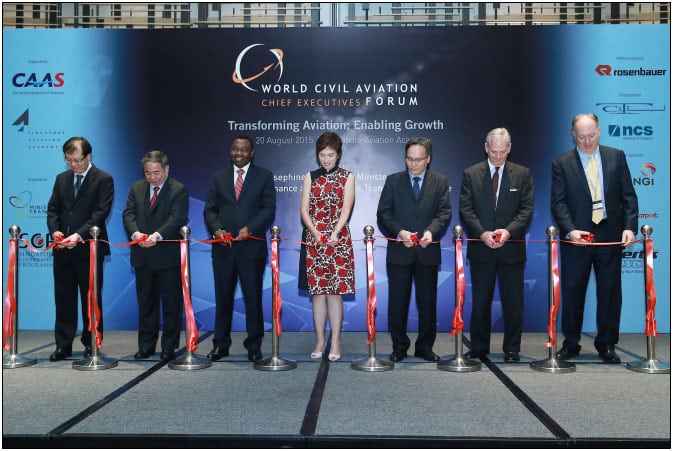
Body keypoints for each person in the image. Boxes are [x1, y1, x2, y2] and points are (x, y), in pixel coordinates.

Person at [551, 113, 638, 364]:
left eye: (591, 135)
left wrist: (630, 226)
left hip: (610, 234)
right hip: (578, 237)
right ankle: (571, 343)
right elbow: (558, 203)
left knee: (610, 292)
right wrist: (570, 230)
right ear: (573, 136)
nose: (587, 141)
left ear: (599, 131)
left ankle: (607, 343)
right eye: (581, 137)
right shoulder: (561, 163)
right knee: (573, 291)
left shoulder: (617, 157)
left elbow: (629, 197)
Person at [459, 128, 534, 362]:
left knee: (513, 303)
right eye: (494, 152)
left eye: (502, 152)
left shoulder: (523, 174)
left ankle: (512, 349)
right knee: (481, 301)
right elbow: (466, 209)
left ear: (509, 148)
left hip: (511, 249)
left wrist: (508, 232)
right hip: (482, 248)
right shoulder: (471, 174)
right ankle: (479, 347)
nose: (498, 157)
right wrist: (482, 233)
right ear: (486, 148)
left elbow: (526, 210)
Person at [376, 137, 452, 362]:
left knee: (427, 302)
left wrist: (431, 232)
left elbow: (444, 213)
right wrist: (400, 233)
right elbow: (384, 213)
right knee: (397, 302)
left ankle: (425, 347)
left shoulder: (439, 181)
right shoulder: (393, 181)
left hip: (427, 251)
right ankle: (399, 347)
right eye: (409, 159)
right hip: (400, 251)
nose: (413, 164)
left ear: (428, 159)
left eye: (418, 159)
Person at [204, 136, 276, 362]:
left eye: (244, 150)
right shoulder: (218, 177)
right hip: (223, 249)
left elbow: (268, 209)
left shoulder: (264, 176)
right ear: (230, 151)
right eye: (235, 149)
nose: (239, 153)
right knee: (222, 298)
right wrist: (216, 230)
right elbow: (210, 210)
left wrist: (250, 228)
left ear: (252, 152)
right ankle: (220, 344)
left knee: (252, 299)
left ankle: (254, 345)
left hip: (251, 248)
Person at [46, 137, 114, 361]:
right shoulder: (61, 179)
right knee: (63, 297)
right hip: (63, 249)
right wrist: (56, 231)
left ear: (88, 156)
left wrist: (78, 235)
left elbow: (99, 213)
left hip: (89, 249)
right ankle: (63, 344)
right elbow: (53, 208)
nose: (73, 165)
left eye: (77, 160)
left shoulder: (103, 179)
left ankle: (91, 340)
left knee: (90, 297)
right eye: (68, 160)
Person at [122, 150, 188, 361]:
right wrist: (136, 233)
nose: (152, 177)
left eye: (156, 172)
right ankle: (146, 346)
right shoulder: (136, 187)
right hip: (142, 256)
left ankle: (169, 347)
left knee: (171, 305)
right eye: (148, 173)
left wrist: (156, 236)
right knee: (146, 304)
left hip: (167, 256)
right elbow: (128, 213)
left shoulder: (178, 189)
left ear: (166, 169)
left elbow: (176, 218)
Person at [299, 132, 355, 362]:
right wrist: (316, 234)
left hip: (338, 240)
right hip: (314, 240)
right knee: (317, 293)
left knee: (334, 293)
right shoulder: (310, 176)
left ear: (338, 154)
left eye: (331, 154)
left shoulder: (348, 176)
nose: (326, 159)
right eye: (322, 155)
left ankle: (336, 340)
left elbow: (346, 209)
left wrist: (334, 233)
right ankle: (320, 339)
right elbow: (304, 211)